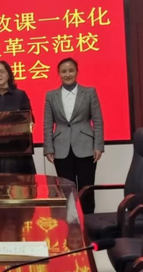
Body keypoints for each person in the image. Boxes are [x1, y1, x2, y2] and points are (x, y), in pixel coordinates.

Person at [43, 57, 104, 214]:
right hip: (61, 148)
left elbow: (97, 120)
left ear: (77, 72)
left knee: (86, 188)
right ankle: (69, 223)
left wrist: (98, 146)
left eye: (71, 70)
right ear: (58, 74)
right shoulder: (51, 95)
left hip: (86, 146)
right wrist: (48, 148)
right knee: (66, 190)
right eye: (63, 71)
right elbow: (48, 124)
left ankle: (88, 221)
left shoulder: (89, 92)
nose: (67, 74)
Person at [0, 61, 36, 174]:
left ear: (8, 74)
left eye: (2, 71)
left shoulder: (20, 95)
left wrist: (27, 125)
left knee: (18, 183)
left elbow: (30, 120)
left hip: (16, 151)